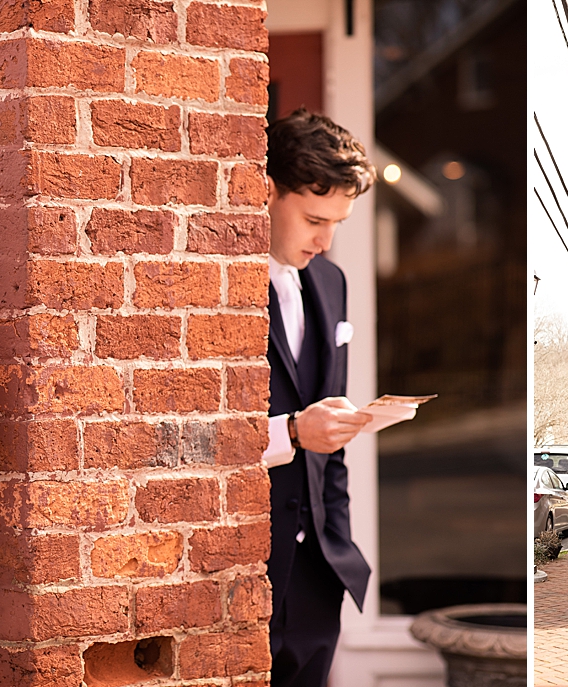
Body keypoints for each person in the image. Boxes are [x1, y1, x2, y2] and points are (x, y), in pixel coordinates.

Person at [259, 108, 376, 687]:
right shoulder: (214, 283)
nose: (326, 240)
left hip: (317, 574)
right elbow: (190, 433)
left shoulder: (332, 282)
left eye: (338, 223)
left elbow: (333, 434)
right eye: (313, 219)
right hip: (247, 566)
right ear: (268, 191)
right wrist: (293, 432)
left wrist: (338, 540)